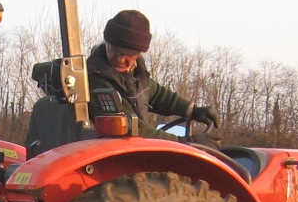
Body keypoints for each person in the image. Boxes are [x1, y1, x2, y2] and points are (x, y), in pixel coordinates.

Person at [87, 10, 219, 141]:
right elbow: (133, 128)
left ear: (138, 54)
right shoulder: (97, 81)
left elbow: (159, 95)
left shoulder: (136, 74)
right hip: (114, 152)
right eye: (114, 51)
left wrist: (193, 110)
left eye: (128, 55)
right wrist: (183, 142)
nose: (120, 60)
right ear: (106, 44)